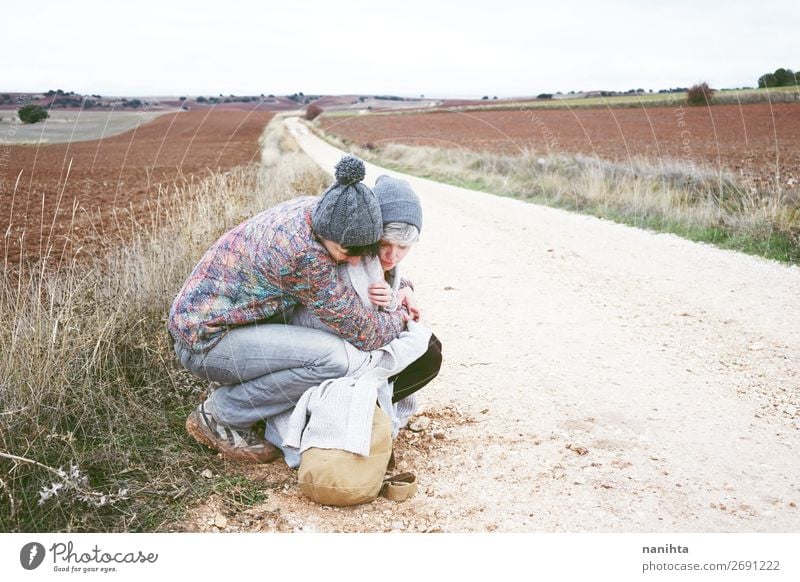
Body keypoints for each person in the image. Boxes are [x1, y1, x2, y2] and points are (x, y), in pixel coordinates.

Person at [169, 156, 408, 463]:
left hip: (214, 325)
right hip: (205, 343)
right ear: (329, 236)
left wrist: (403, 287)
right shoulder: (304, 256)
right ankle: (220, 415)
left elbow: (364, 265)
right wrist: (401, 316)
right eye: (348, 253)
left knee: (320, 347)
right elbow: (365, 333)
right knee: (334, 359)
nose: (354, 262)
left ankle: (251, 402)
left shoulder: (318, 209)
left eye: (364, 252)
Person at [290, 174, 443, 405]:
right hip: (330, 344)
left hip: (350, 340)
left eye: (403, 246)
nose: (393, 255)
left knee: (429, 348)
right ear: (372, 234)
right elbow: (364, 331)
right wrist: (398, 311)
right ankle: (355, 406)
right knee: (427, 354)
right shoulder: (348, 257)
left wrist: (403, 287)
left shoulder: (374, 259)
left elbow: (389, 276)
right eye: (385, 244)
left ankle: (367, 404)